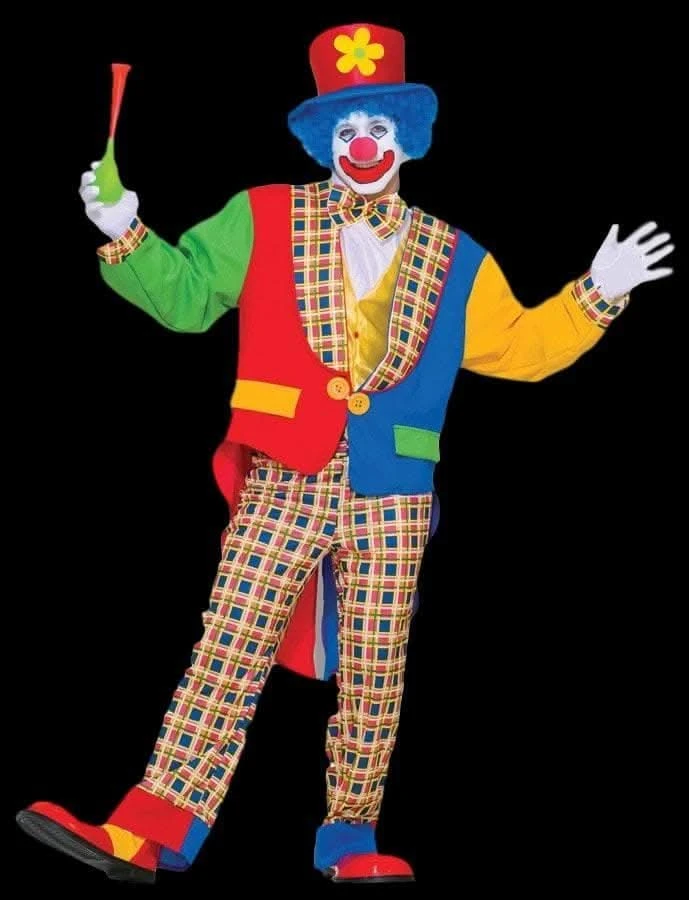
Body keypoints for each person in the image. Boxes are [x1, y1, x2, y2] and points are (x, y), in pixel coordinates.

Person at [16, 22, 674, 885]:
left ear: (408, 138)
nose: (364, 145)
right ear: (326, 140)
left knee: (375, 666)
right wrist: (125, 229)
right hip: (285, 470)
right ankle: (150, 828)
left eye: (380, 128)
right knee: (228, 646)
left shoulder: (456, 256)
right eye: (348, 129)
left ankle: (349, 838)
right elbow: (185, 299)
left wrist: (596, 294)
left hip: (393, 485)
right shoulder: (261, 216)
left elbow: (517, 348)